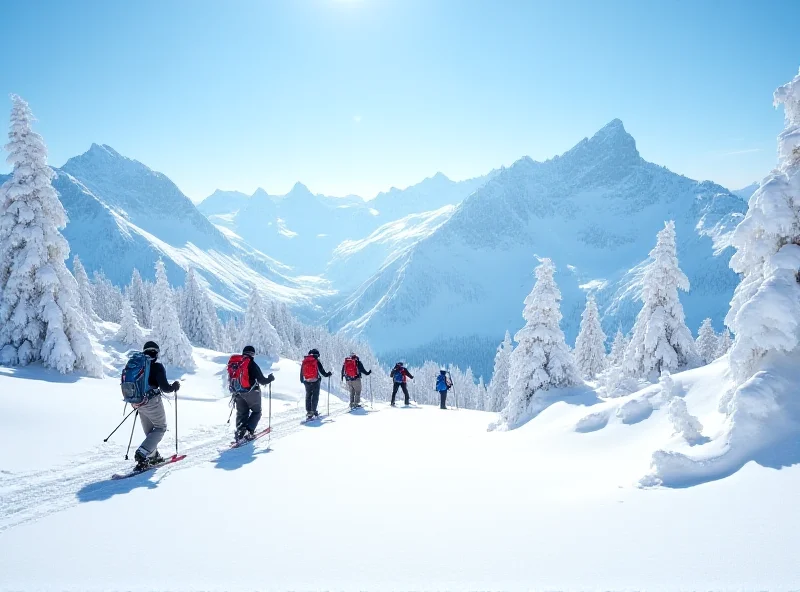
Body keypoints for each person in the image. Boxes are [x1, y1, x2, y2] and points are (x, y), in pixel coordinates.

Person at [133, 341, 180, 471]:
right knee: (160, 428)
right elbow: (165, 388)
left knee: (150, 432)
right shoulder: (157, 366)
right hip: (152, 402)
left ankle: (152, 456)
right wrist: (174, 387)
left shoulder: (138, 365)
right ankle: (143, 453)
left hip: (138, 402)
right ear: (156, 352)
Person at [233, 345, 275, 442]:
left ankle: (240, 432)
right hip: (251, 392)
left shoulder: (237, 363)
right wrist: (270, 379)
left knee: (241, 413)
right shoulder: (252, 364)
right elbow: (262, 380)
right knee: (256, 412)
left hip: (237, 393)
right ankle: (248, 431)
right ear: (252, 354)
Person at [301, 348, 332, 420]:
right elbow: (322, 371)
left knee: (308, 396)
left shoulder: (305, 360)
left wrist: (302, 380)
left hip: (307, 381)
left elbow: (301, 371)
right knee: (315, 396)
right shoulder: (316, 360)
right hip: (315, 381)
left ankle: (309, 411)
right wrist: (328, 374)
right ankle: (313, 411)